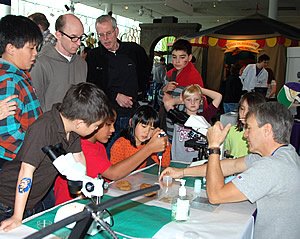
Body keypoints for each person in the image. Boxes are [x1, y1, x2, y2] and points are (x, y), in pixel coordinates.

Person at [160, 101, 300, 239]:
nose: (245, 134)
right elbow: (230, 166)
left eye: (249, 128)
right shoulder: (284, 154)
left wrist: (214, 146)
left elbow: (215, 196)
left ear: (267, 130)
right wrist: (182, 172)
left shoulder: (272, 167)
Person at [0, 82, 110, 231]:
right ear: (80, 122)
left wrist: (84, 184)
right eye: (96, 126)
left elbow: (79, 158)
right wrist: (17, 217)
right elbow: (26, 172)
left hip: (32, 202)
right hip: (7, 202)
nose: (97, 129)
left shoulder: (72, 129)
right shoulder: (44, 128)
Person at [54, 106, 168, 205]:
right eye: (108, 125)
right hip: (72, 203)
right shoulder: (83, 148)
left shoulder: (98, 146)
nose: (113, 129)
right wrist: (149, 148)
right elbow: (113, 174)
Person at [86, 14, 151, 158]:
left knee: (133, 154)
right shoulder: (94, 56)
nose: (105, 38)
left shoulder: (134, 50)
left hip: (132, 114)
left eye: (108, 33)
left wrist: (138, 93)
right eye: (101, 35)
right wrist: (115, 95)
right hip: (107, 116)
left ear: (117, 31)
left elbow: (145, 73)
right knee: (109, 154)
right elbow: (93, 86)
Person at [0, 15, 43, 168]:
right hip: (16, 162)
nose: (35, 54)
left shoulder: (18, 75)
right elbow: (8, 134)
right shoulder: (9, 81)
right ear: (10, 48)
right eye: (31, 48)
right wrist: (37, 153)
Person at [30, 14, 87, 112]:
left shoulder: (82, 64)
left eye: (81, 37)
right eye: (73, 37)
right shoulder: (40, 63)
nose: (78, 43)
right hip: (49, 125)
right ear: (59, 35)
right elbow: (35, 104)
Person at [158, 39, 204, 140]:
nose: (177, 61)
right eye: (174, 57)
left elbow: (199, 106)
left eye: (182, 57)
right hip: (168, 124)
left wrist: (175, 101)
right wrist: (164, 89)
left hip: (185, 128)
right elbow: (160, 100)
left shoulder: (194, 77)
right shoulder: (170, 74)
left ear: (190, 57)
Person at [171, 84, 221, 163]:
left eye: (196, 99)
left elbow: (218, 96)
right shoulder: (177, 116)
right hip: (178, 161)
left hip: (197, 161)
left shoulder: (204, 116)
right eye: (188, 100)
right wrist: (181, 99)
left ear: (201, 101)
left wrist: (200, 90)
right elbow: (167, 103)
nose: (192, 103)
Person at [110, 105, 170, 170]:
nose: (147, 132)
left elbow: (164, 163)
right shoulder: (120, 145)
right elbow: (114, 172)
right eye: (143, 126)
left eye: (152, 129)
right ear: (131, 123)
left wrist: (164, 142)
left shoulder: (149, 143)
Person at [224, 92, 266, 158]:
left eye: (250, 110)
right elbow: (227, 151)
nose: (244, 113)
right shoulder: (232, 130)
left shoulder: (261, 135)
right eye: (242, 109)